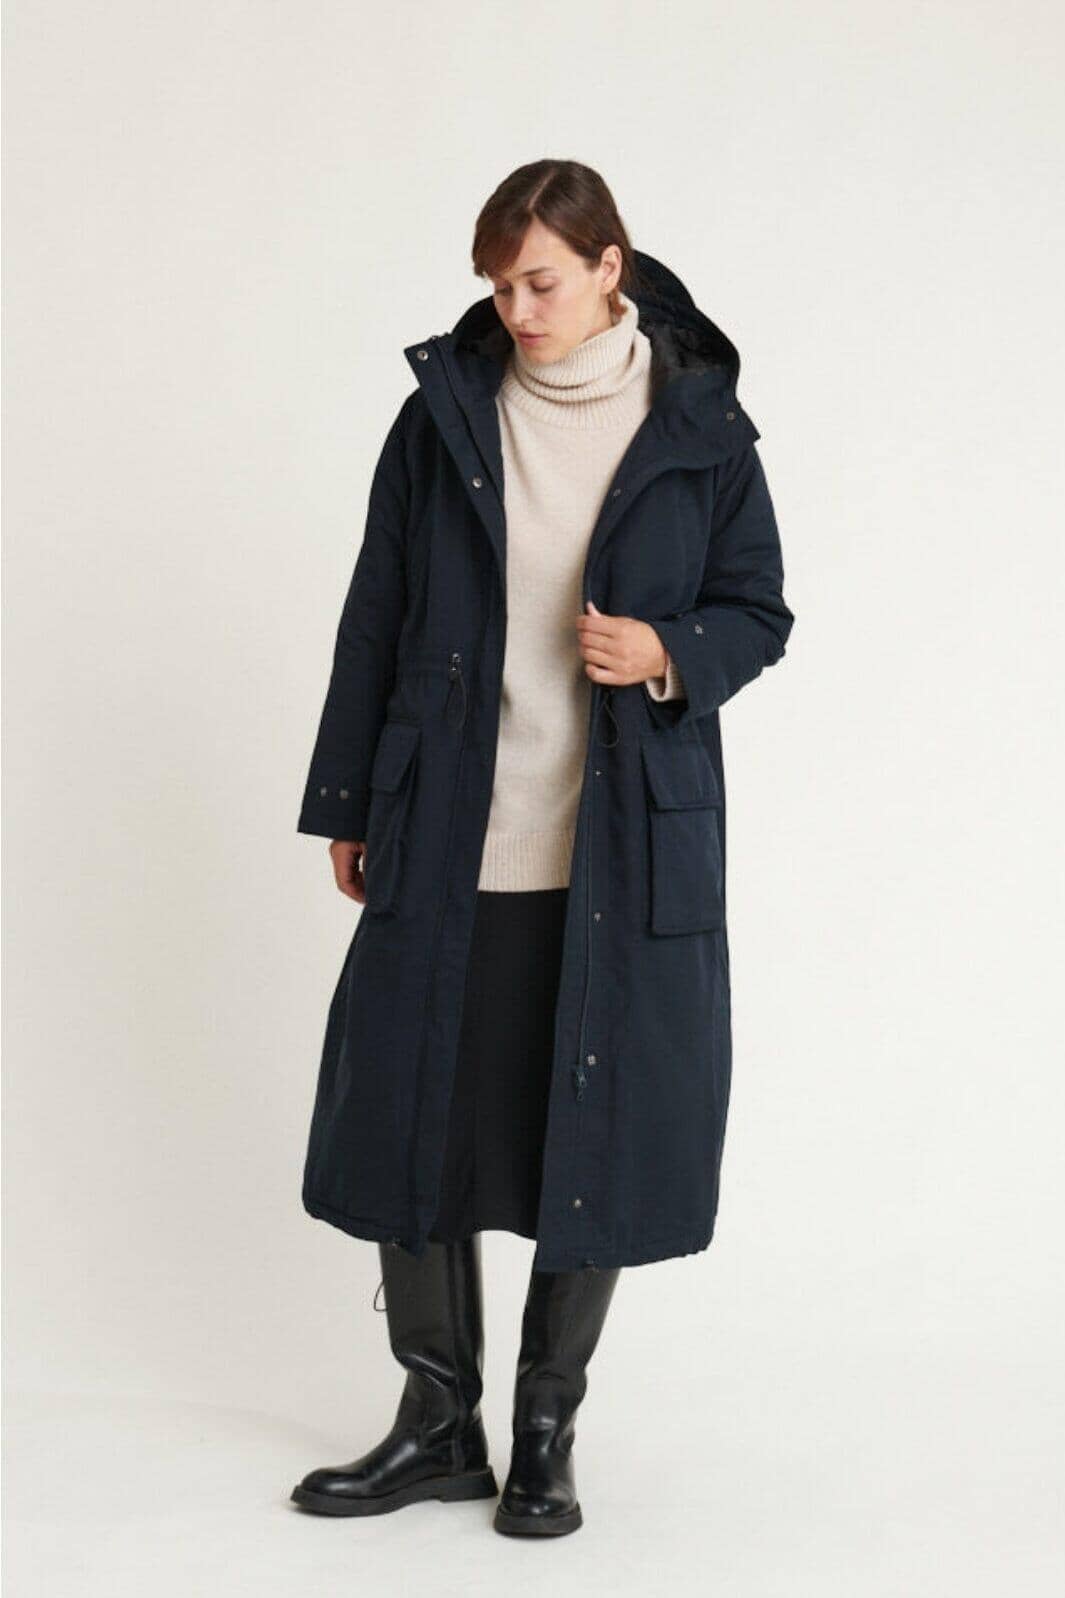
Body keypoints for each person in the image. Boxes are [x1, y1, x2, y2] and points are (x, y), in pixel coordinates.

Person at [289, 159, 793, 1536]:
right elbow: (376, 609)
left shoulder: (697, 423)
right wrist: (348, 800)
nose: (516, 310)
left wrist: (668, 649)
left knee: (598, 1127)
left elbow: (759, 607)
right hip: (450, 824)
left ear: (608, 268)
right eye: (499, 285)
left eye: (541, 282)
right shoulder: (445, 413)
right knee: (412, 1115)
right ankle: (434, 1421)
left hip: (618, 846)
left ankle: (546, 1430)